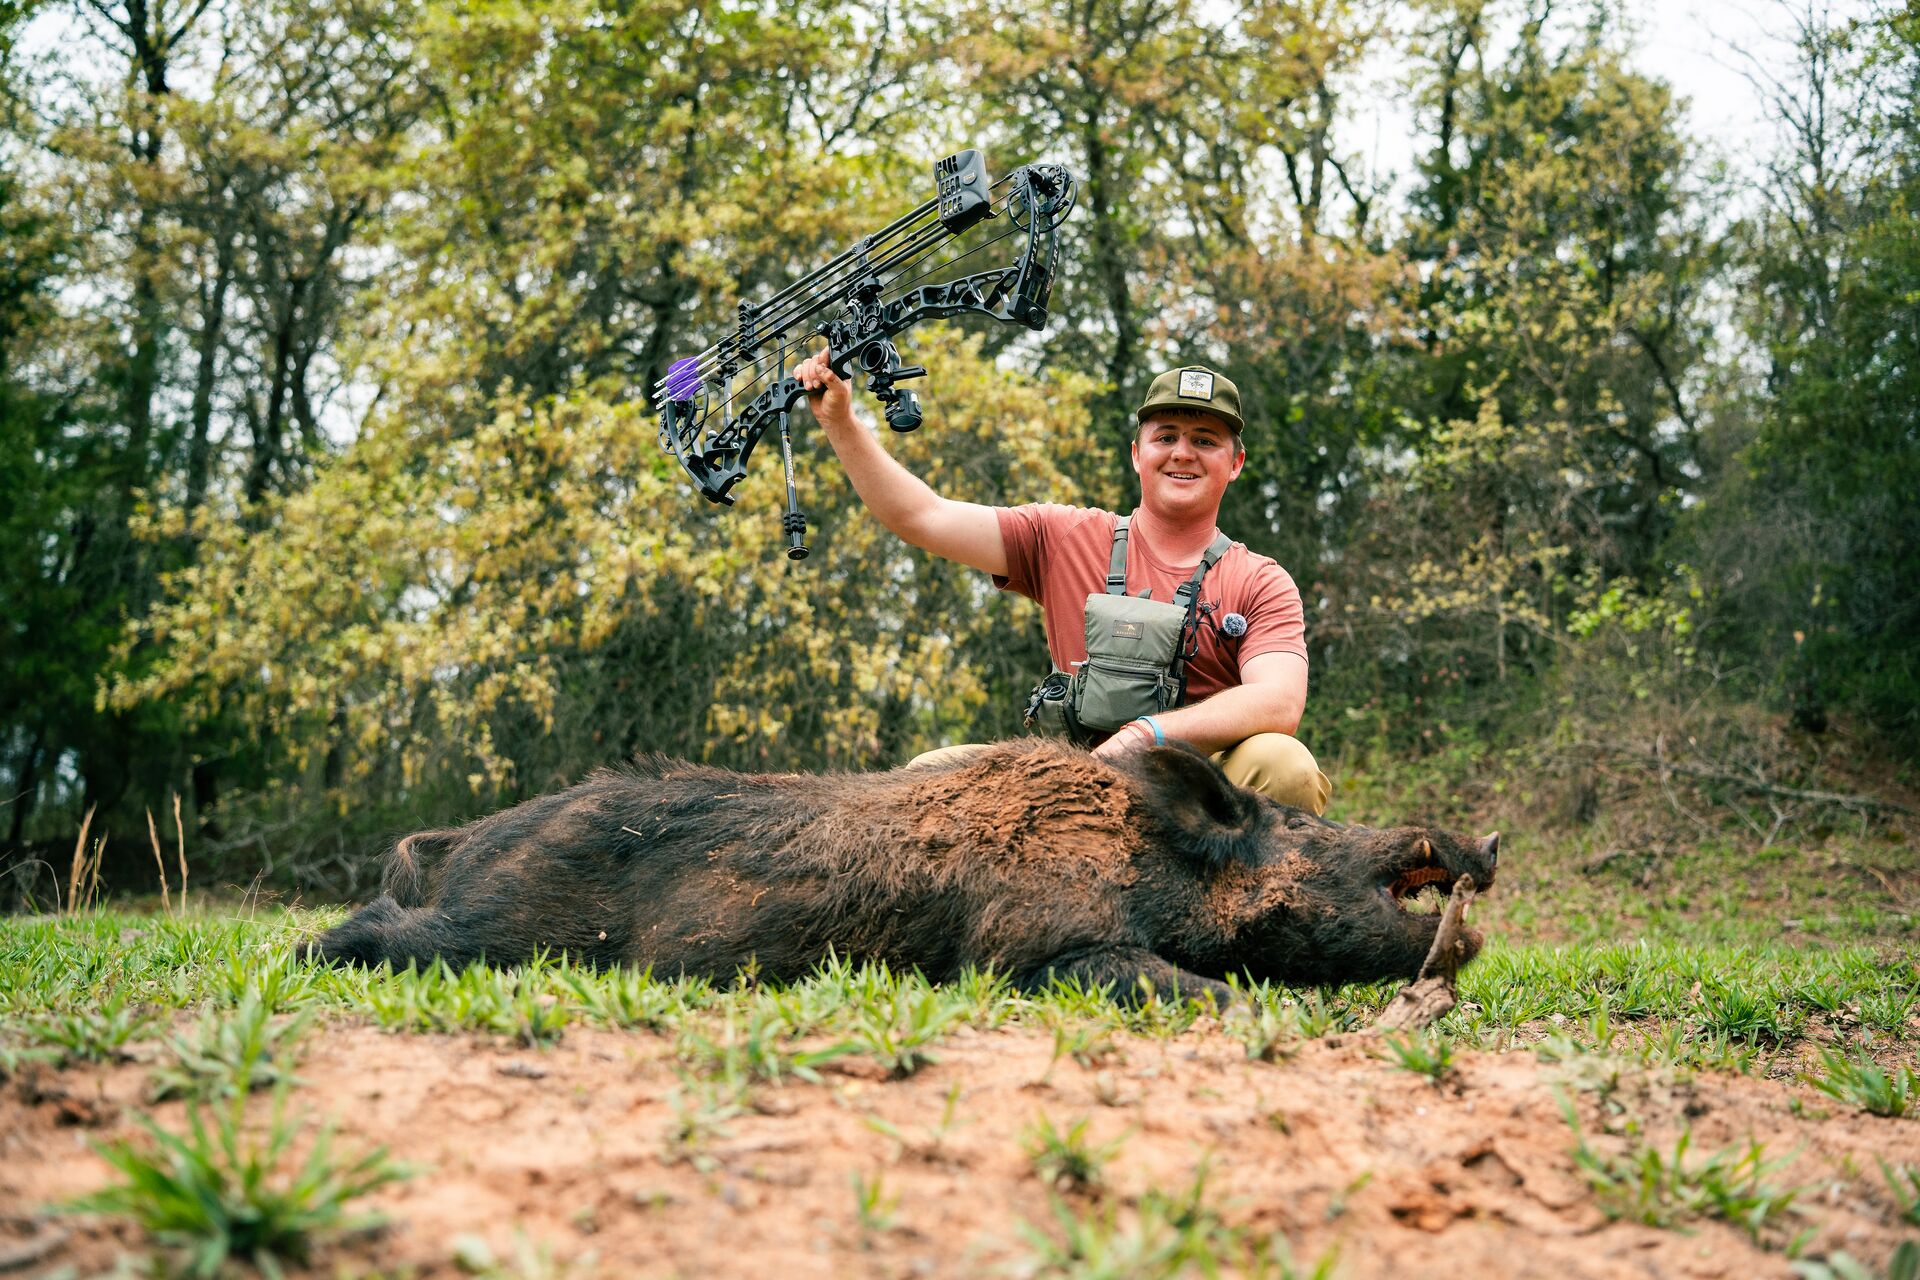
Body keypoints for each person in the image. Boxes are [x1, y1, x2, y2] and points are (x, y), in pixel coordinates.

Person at [793, 352, 1331, 815]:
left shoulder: (1260, 580)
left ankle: (1247, 904)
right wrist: (841, 420)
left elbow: (1279, 700)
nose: (1182, 453)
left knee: (1283, 764)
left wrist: (1147, 734)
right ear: (1137, 454)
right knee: (929, 774)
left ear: (1235, 463)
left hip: (1198, 796)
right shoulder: (1062, 534)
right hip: (1072, 785)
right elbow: (922, 516)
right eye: (1165, 437)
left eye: (1205, 440)